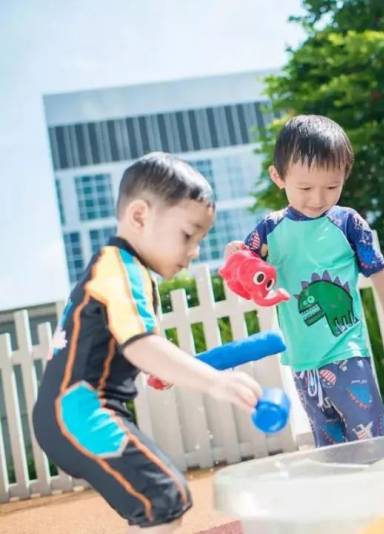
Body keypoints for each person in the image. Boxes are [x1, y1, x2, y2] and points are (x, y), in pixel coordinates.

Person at [32, 152, 263, 533]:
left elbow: (126, 346)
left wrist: (158, 367)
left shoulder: (124, 269)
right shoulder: (119, 267)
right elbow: (141, 344)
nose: (194, 252)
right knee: (164, 495)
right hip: (79, 412)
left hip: (77, 411)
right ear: (140, 216)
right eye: (188, 235)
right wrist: (215, 381)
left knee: (159, 497)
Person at [225, 114, 384, 448]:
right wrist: (234, 256)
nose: (317, 198)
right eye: (305, 188)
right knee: (330, 447)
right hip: (302, 362)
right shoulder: (269, 230)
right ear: (278, 177)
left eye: (331, 187)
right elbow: (244, 270)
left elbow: (379, 272)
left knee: (372, 439)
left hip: (347, 353)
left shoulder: (348, 223)